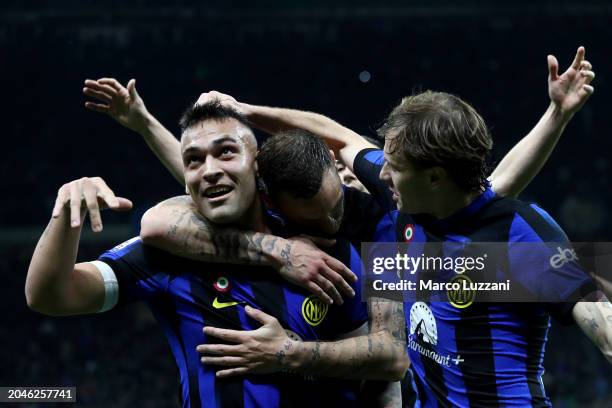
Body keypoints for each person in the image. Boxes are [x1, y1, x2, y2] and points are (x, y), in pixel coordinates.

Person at [189, 47, 612, 407]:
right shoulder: (408, 207)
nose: (381, 173)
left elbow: (605, 329)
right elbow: (336, 136)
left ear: (435, 176)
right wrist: (246, 111)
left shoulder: (522, 235)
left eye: (394, 166)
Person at [25, 102, 408, 407]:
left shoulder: (324, 247)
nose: (209, 170)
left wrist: (290, 354)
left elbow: (384, 363)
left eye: (226, 152)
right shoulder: (167, 253)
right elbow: (50, 297)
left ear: (257, 168)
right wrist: (65, 218)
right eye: (193, 160)